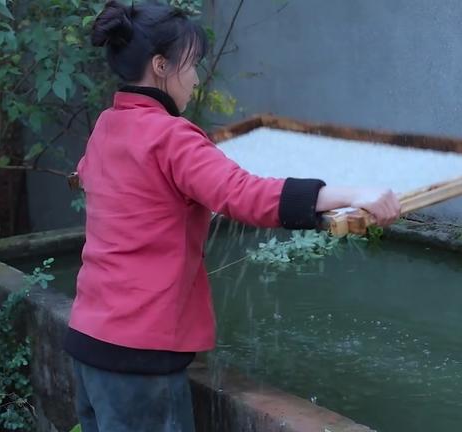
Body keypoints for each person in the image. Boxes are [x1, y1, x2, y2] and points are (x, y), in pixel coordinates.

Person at [64, 1, 401, 431]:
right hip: (139, 357)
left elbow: (102, 179)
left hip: (88, 343)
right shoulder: (170, 136)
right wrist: (354, 193)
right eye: (191, 65)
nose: (196, 78)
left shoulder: (108, 126)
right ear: (161, 66)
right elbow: (243, 195)